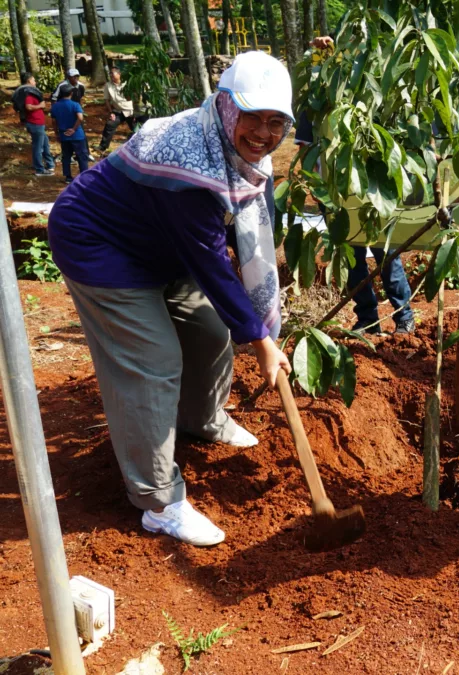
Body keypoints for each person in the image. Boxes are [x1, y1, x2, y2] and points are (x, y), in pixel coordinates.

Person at [47, 51, 293, 547]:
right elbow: (210, 261)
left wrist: (257, 317)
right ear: (226, 107)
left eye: (275, 122)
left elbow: (248, 226)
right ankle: (158, 501)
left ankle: (202, 418)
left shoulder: (240, 149)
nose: (263, 134)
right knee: (152, 359)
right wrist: (262, 338)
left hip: (161, 244)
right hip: (101, 244)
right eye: (252, 117)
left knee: (208, 331)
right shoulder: (187, 161)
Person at [294, 35, 416, 335]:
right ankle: (367, 319)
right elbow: (305, 151)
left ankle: (404, 317)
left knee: (387, 254)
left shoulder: (366, 99)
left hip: (371, 190)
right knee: (353, 259)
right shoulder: (313, 106)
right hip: (334, 194)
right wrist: (317, 187)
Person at [98, 67, 148, 154]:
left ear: (119, 74)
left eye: (113, 74)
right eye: (110, 75)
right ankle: (102, 147)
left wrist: (135, 113)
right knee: (110, 124)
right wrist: (111, 112)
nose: (111, 77)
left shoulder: (127, 83)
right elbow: (106, 100)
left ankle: (142, 146)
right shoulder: (108, 85)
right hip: (118, 111)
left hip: (130, 110)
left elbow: (136, 99)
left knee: (136, 129)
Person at [14, 72, 55, 176]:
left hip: (38, 123)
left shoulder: (31, 93)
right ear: (29, 81)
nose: (35, 82)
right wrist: (40, 106)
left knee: (45, 144)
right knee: (38, 147)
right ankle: (39, 170)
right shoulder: (28, 93)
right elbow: (28, 106)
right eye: (33, 80)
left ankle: (50, 165)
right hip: (35, 123)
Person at [51, 83, 90, 184]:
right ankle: (84, 176)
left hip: (64, 135)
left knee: (66, 156)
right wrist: (74, 128)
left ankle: (68, 177)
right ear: (71, 93)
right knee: (82, 156)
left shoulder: (55, 106)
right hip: (77, 135)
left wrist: (57, 133)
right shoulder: (75, 104)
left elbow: (54, 122)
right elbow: (80, 117)